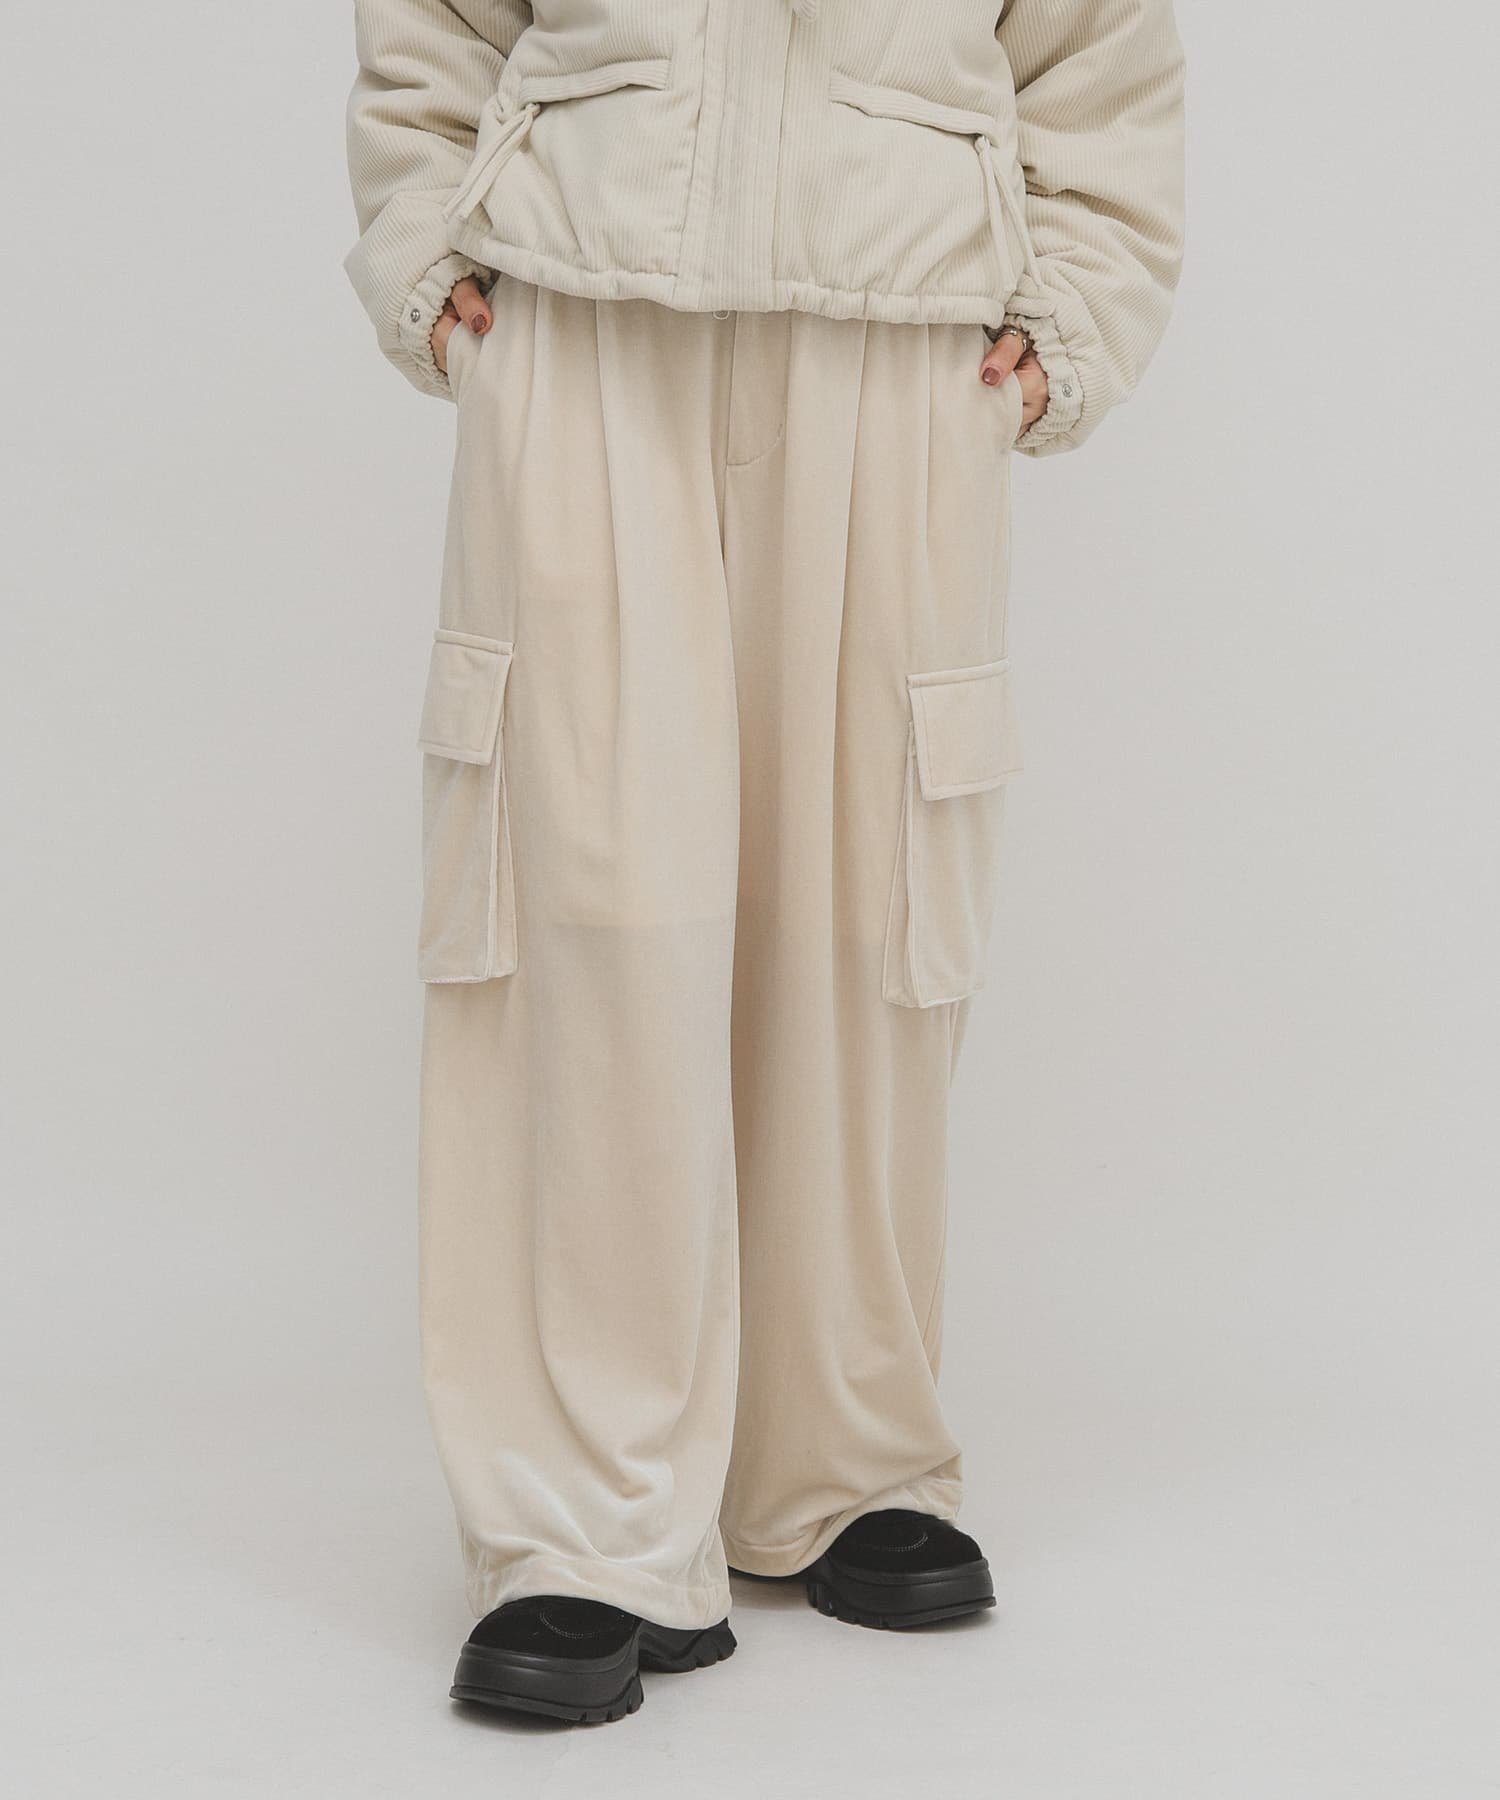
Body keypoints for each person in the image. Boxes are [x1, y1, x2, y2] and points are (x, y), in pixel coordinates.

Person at [345, 0, 1184, 1725]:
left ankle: (841, 1453)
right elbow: (431, 27)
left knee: (865, 909)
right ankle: (585, 1523)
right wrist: (428, 250)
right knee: (585, 904)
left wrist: (1075, 313)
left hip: (906, 346)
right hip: (581, 324)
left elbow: (1100, 50)